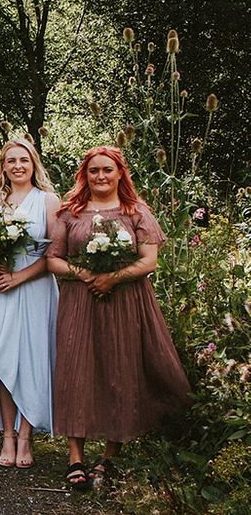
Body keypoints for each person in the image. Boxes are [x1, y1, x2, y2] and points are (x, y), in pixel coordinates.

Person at [46, 146, 190, 489]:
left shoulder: (135, 211)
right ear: (85, 174)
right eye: (94, 170)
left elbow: (149, 260)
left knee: (119, 370)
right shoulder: (71, 213)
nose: (100, 176)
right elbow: (53, 260)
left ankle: (110, 456)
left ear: (120, 173)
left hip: (125, 302)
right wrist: (86, 275)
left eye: (107, 170)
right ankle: (75, 457)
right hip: (80, 301)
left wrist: (113, 277)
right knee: (75, 371)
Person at [0, 138, 60, 469]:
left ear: (33, 164)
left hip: (33, 287)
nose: (17, 166)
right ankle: (7, 433)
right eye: (11, 161)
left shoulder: (48, 201)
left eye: (23, 160)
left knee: (30, 358)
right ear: (3, 167)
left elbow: (53, 254)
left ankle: (26, 435)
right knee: (1, 357)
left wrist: (19, 277)